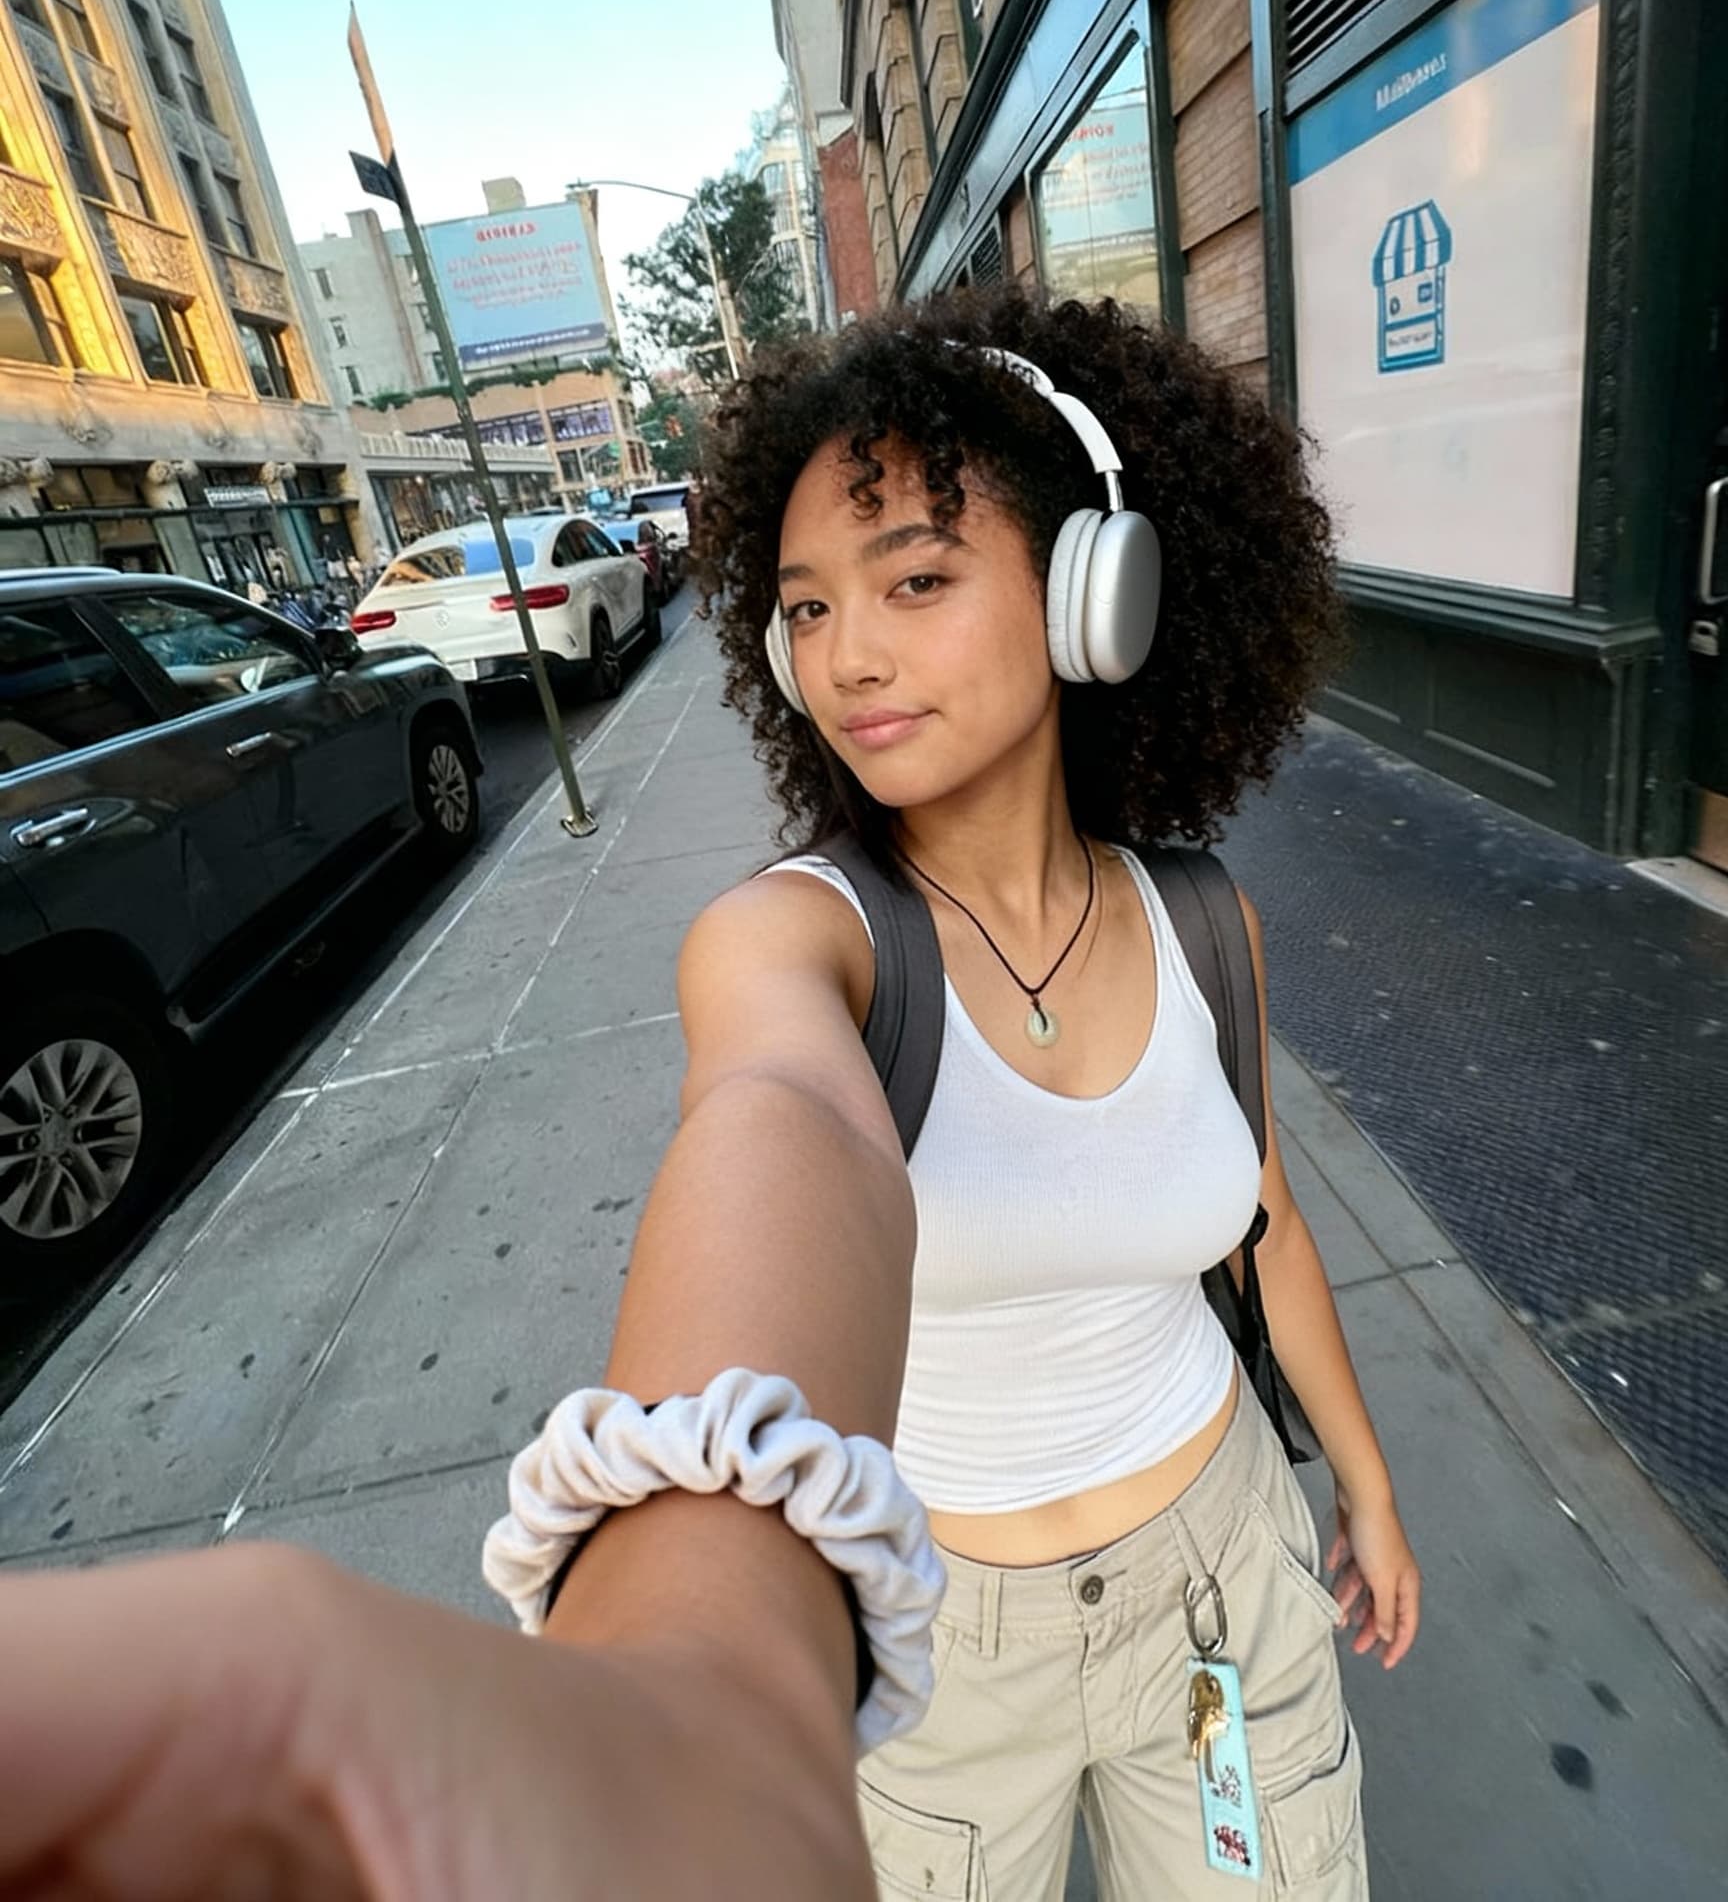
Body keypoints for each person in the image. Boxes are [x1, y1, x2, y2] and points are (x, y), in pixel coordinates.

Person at [0, 291, 1416, 1899]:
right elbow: (778, 1123)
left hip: (1224, 1585)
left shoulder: (1204, 922)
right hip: (937, 1664)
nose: (848, 656)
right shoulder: (794, 942)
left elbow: (1266, 1228)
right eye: (806, 608)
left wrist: (1365, 1489)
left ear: (1098, 590)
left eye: (918, 579)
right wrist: (694, 1690)